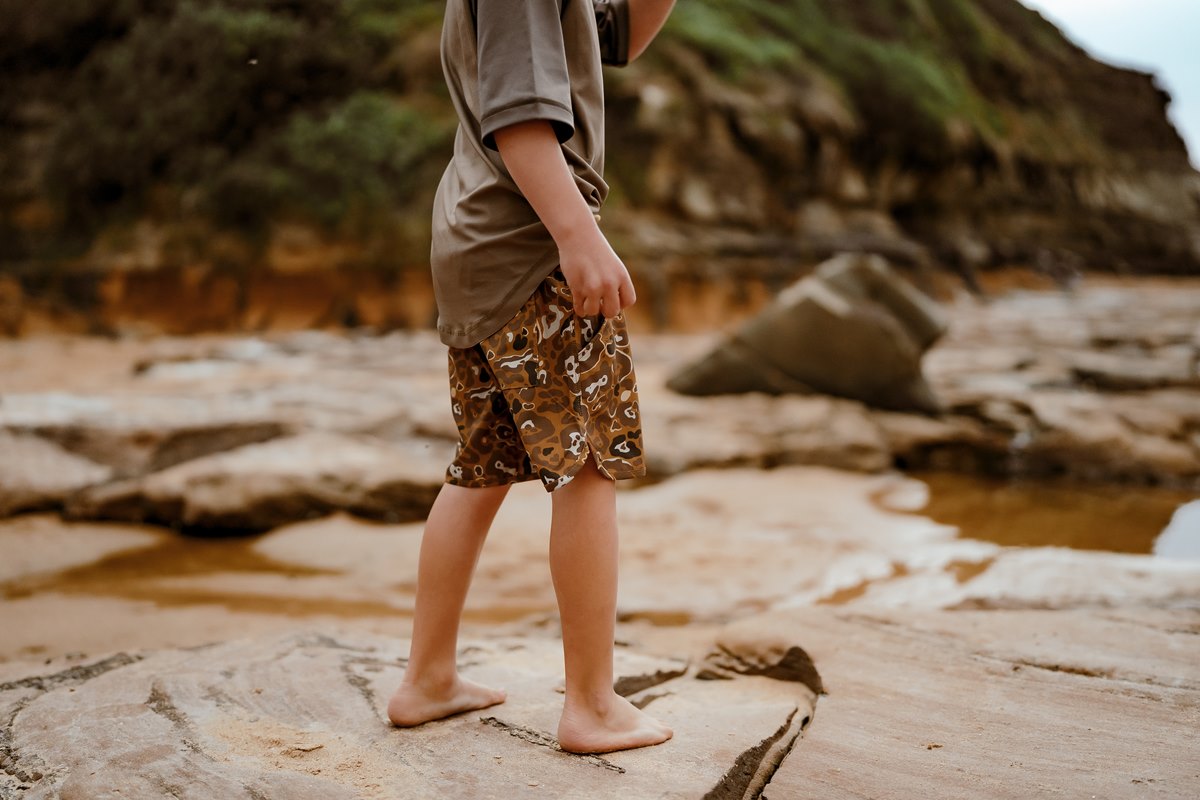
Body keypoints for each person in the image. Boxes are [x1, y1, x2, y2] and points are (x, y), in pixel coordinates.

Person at [386, 0, 677, 755]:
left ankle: (428, 678)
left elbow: (617, 37)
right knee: (587, 465)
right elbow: (521, 118)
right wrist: (578, 238)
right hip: (530, 247)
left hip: (480, 243)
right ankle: (592, 707)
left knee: (482, 465)